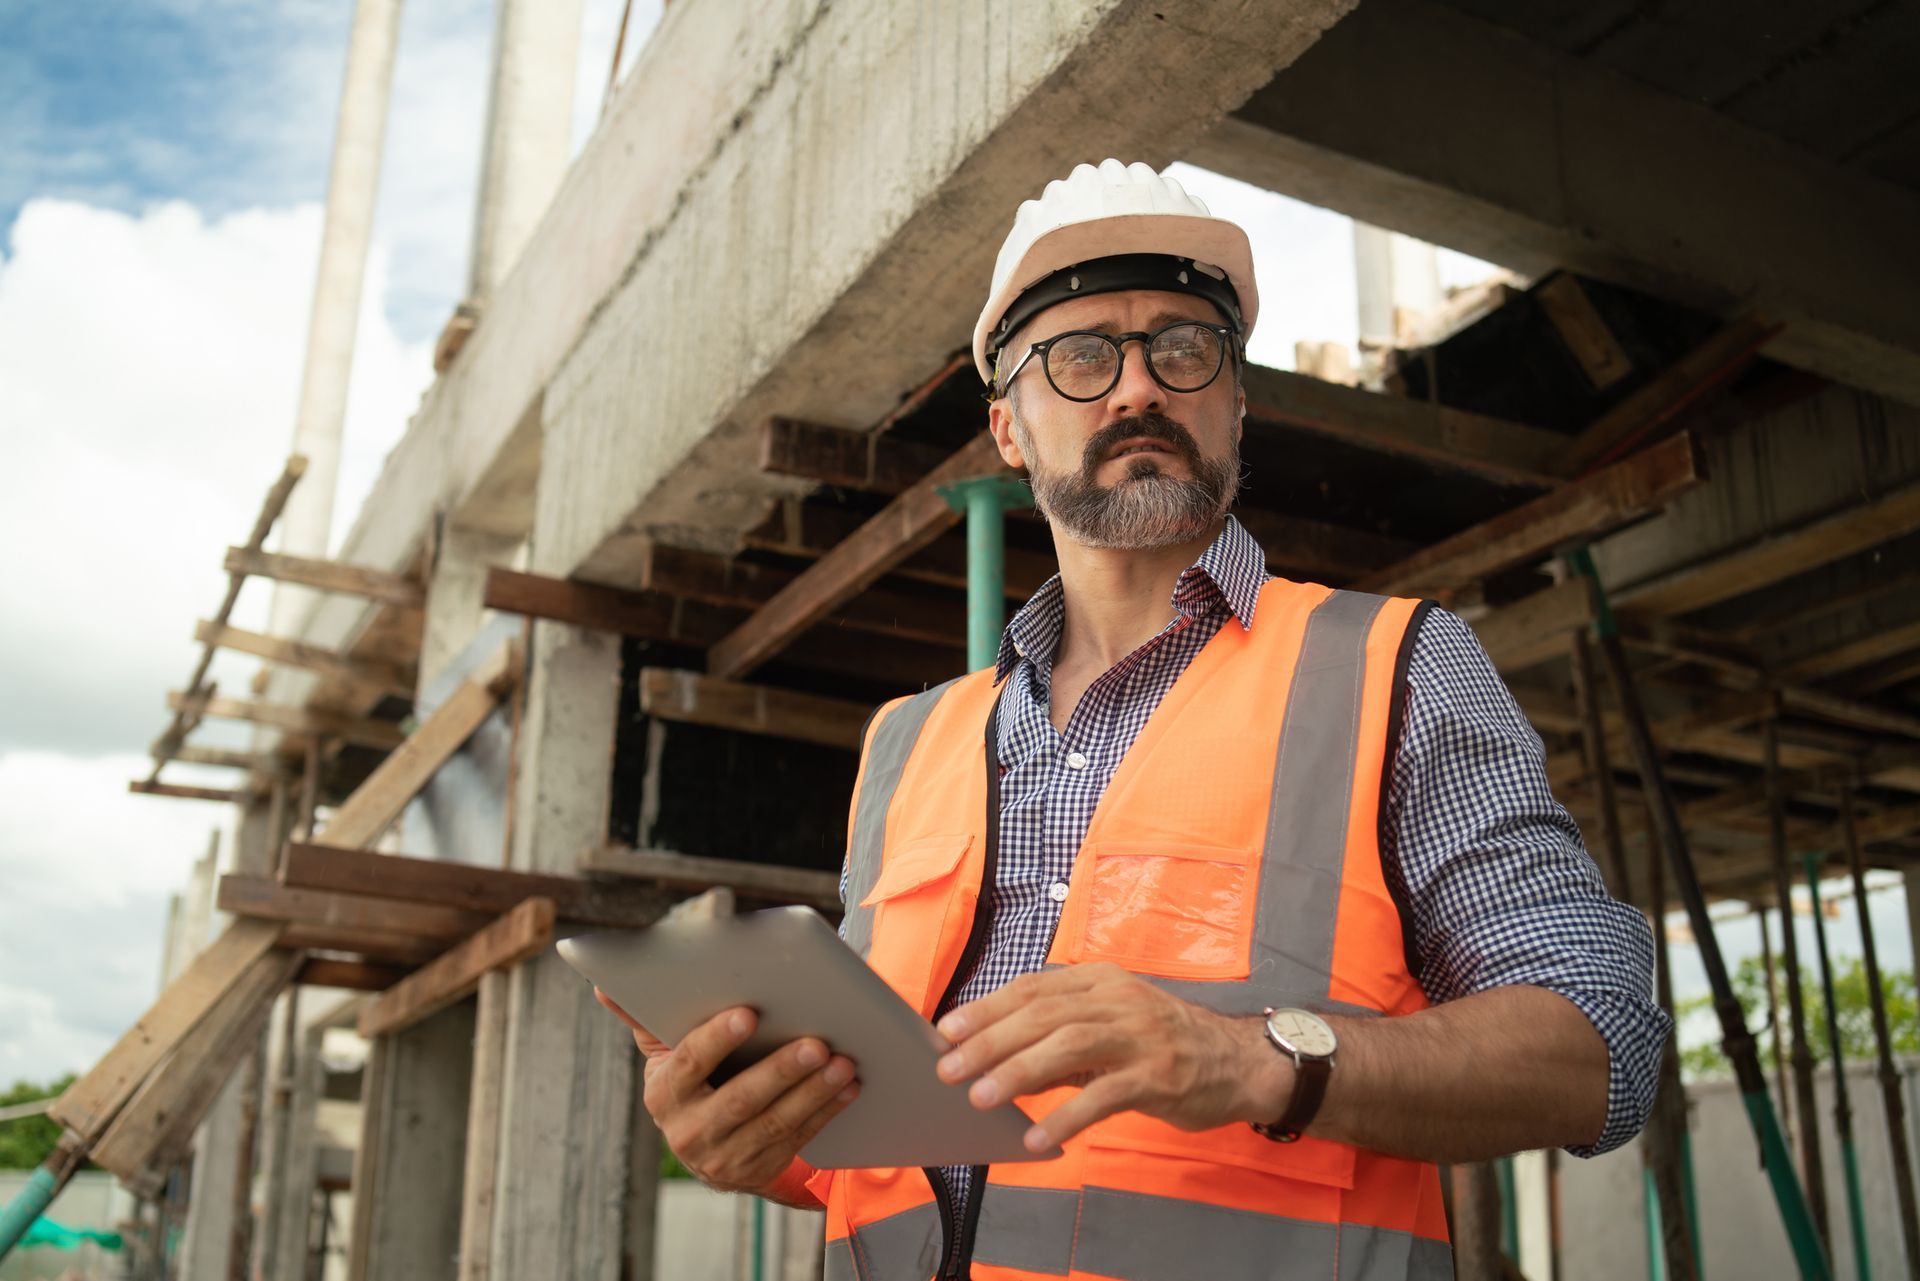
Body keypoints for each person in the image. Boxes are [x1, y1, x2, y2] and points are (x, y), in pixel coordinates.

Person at [598, 159, 1667, 1280]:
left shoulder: (1394, 668)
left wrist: (1254, 1059)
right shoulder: (907, 745)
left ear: (1236, 401)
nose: (1137, 390)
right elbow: (890, 1162)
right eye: (1081, 356)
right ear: (1008, 428)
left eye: (1183, 347)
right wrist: (760, 1141)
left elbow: (1603, 1044)